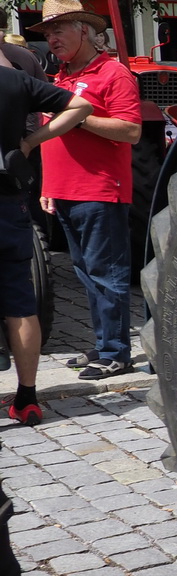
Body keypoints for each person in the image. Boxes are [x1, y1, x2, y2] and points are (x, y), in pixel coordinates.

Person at [28, 0, 142, 381]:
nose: (51, 38)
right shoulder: (59, 78)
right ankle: (104, 343)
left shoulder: (114, 73)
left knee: (106, 273)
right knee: (85, 272)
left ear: (85, 31)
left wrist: (78, 117)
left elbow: (131, 130)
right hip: (64, 190)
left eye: (58, 29)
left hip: (99, 190)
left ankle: (115, 352)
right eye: (47, 32)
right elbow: (50, 139)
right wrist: (48, 183)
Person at [0, 68, 93, 422]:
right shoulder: (14, 81)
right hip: (8, 201)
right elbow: (81, 107)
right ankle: (27, 398)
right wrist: (30, 141)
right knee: (21, 305)